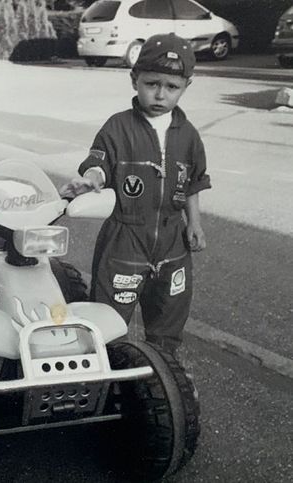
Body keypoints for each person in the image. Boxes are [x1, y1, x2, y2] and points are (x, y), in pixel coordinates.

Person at [60, 33, 211, 354]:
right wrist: (91, 179)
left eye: (172, 87)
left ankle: (163, 375)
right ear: (134, 80)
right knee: (107, 320)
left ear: (187, 86)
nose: (160, 94)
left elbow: (195, 182)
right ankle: (106, 378)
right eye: (151, 83)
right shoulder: (117, 127)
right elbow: (98, 160)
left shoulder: (189, 135)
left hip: (173, 243)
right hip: (124, 240)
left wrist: (194, 223)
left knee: (168, 318)